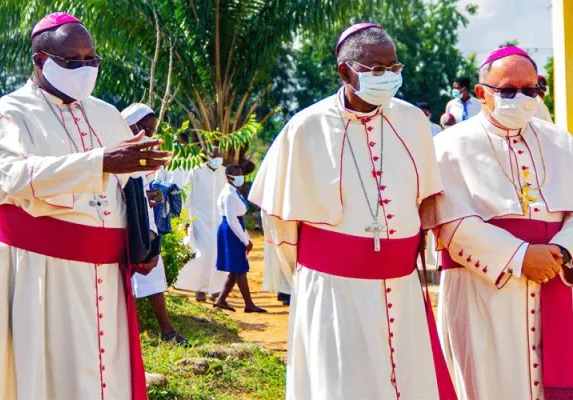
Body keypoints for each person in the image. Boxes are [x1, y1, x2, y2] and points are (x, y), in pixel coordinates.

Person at [249, 22, 455, 399]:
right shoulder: (306, 127)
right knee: (343, 385)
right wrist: (320, 273)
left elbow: (428, 201)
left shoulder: (412, 122)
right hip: (333, 289)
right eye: (376, 70)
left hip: (401, 285)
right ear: (346, 72)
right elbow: (279, 222)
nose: (389, 76)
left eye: (394, 68)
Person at [0, 13, 171, 400]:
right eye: (72, 61)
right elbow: (17, 177)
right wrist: (100, 162)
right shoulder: (6, 114)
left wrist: (144, 240)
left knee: (107, 374)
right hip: (44, 273)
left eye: (92, 60)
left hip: (107, 273)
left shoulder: (106, 113)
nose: (84, 69)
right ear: (40, 59)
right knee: (49, 372)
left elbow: (127, 188)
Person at [422, 46, 573, 400]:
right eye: (507, 91)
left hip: (558, 278)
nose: (520, 98)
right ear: (481, 94)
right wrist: (521, 257)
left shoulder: (562, 143)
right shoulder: (448, 146)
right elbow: (452, 224)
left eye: (531, 90)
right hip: (484, 290)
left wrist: (562, 249)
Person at [121, 103, 189, 346]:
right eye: (144, 129)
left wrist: (156, 197)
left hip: (148, 226)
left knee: (153, 275)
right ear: (128, 126)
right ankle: (126, 331)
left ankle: (167, 331)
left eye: (151, 130)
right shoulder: (114, 153)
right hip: (122, 226)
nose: (148, 135)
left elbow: (156, 189)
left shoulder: (150, 156)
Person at [175, 147, 228, 302]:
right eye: (214, 156)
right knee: (204, 253)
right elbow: (186, 196)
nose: (217, 158)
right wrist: (184, 219)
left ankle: (216, 289)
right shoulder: (196, 172)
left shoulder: (224, 172)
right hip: (200, 220)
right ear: (207, 157)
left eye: (220, 156)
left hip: (219, 220)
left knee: (219, 254)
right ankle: (200, 289)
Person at [213, 165, 266, 313]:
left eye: (241, 174)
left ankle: (221, 300)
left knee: (235, 269)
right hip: (231, 232)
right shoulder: (229, 194)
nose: (240, 177)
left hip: (233, 230)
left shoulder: (232, 192)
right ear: (229, 177)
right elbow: (232, 220)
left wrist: (245, 236)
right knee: (240, 269)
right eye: (237, 175)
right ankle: (249, 304)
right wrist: (245, 240)